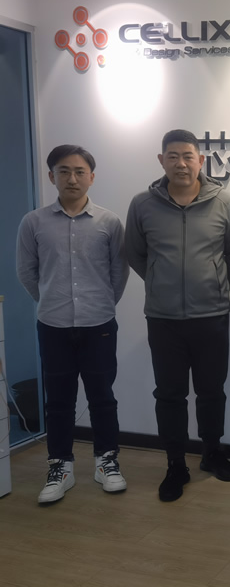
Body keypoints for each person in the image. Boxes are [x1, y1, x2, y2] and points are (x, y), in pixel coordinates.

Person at [125, 129, 230, 502]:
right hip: (164, 319)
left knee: (212, 391)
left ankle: (212, 452)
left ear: (200, 160)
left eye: (188, 156)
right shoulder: (143, 204)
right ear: (162, 161)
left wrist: (215, 286)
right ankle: (176, 463)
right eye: (173, 156)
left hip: (212, 316)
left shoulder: (224, 202)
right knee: (170, 394)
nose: (181, 164)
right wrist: (161, 283)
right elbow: (135, 253)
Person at [16, 144, 129, 503]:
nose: (72, 178)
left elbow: (119, 273)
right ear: (52, 176)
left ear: (91, 177)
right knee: (59, 400)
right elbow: (27, 272)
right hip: (53, 325)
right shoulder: (33, 222)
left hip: (99, 324)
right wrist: (51, 300)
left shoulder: (109, 223)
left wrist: (101, 303)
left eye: (80, 172)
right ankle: (60, 467)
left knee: (102, 397)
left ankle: (106, 461)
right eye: (64, 171)